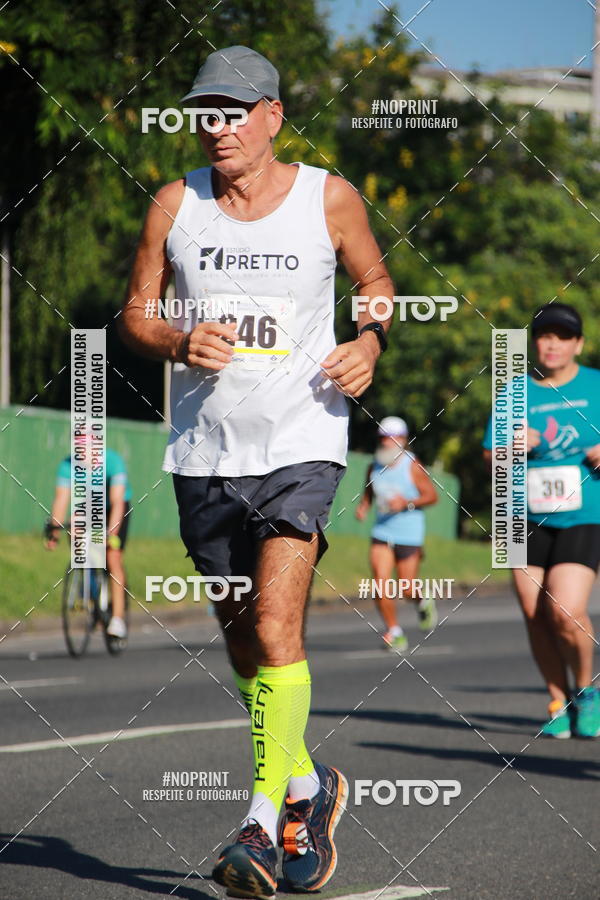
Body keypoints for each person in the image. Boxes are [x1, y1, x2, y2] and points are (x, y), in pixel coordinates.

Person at [119, 45, 394, 899]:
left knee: (277, 630)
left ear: (274, 116)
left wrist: (371, 341)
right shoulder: (177, 203)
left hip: (303, 441)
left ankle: (261, 822)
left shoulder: (328, 197)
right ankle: (313, 787)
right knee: (245, 646)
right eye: (206, 111)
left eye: (235, 110)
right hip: (206, 454)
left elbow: (376, 282)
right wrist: (174, 338)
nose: (218, 126)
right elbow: (136, 312)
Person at [483, 302, 600, 739]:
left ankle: (587, 691)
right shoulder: (515, 392)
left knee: (565, 610)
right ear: (535, 342)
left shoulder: (596, 385)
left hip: (583, 513)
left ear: (578, 344)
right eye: (545, 335)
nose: (552, 343)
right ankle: (558, 700)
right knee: (534, 613)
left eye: (563, 336)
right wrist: (512, 444)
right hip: (518, 515)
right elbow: (490, 458)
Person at [355, 416, 438, 652]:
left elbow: (432, 496)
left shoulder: (412, 465)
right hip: (382, 531)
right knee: (381, 584)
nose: (387, 442)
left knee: (406, 587)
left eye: (392, 437)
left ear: (403, 440)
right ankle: (394, 632)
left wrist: (407, 504)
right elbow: (369, 493)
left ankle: (422, 600)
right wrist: (363, 506)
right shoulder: (374, 466)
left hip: (409, 533)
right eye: (383, 437)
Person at [44, 445, 131, 639]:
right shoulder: (68, 465)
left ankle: (117, 619)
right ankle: (89, 583)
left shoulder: (112, 461)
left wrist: (111, 533)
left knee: (112, 556)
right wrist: (54, 532)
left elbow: (117, 502)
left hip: (114, 507)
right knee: (74, 532)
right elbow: (61, 499)